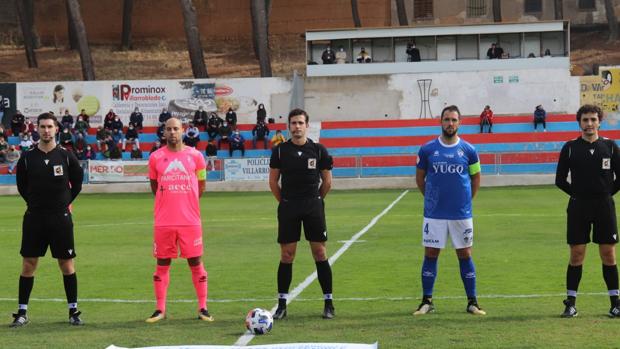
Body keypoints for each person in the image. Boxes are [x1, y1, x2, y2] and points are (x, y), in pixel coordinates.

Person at [12, 112, 84, 327]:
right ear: (37, 129)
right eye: (42, 126)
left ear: (56, 129)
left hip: (60, 219)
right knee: (28, 264)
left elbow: (77, 183)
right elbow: (22, 186)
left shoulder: (66, 156)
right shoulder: (27, 157)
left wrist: (63, 204)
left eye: (49, 126)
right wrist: (35, 204)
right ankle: (22, 312)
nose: (46, 130)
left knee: (66, 264)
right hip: (34, 218)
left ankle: (73, 311)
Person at [413, 105, 485, 316]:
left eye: (454, 120)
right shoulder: (427, 149)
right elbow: (420, 178)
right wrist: (432, 199)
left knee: (465, 253)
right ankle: (427, 301)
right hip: (434, 214)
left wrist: (465, 200)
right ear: (441, 121)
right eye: (447, 119)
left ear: (459, 123)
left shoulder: (469, 150)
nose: (450, 123)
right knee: (431, 253)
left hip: (461, 214)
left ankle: (472, 302)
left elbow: (476, 178)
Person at [269, 108, 335, 320]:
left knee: (320, 253)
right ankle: (281, 305)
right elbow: (273, 182)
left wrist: (316, 201)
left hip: (313, 206)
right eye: (293, 123)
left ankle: (328, 303)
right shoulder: (280, 151)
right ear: (288, 127)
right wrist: (286, 203)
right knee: (287, 255)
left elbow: (327, 182)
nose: (297, 127)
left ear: (307, 125)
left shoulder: (318, 150)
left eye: (300, 123)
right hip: (289, 207)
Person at [555, 104, 620, 318]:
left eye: (593, 119)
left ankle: (615, 303)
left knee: (608, 254)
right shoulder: (570, 147)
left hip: (604, 206)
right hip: (578, 207)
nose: (589, 124)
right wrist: (577, 194)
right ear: (579, 123)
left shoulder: (610, 147)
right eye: (585, 120)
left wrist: (606, 193)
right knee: (577, 255)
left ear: (599, 121)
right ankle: (571, 304)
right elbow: (560, 179)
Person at [146, 117, 212, 323]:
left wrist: (187, 201)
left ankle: (203, 307)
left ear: (183, 130)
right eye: (169, 129)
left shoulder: (196, 156)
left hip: (190, 220)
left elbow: (201, 185)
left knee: (195, 261)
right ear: (164, 132)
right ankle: (160, 309)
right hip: (164, 221)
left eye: (176, 129)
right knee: (162, 263)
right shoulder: (155, 158)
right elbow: (154, 186)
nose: (172, 132)